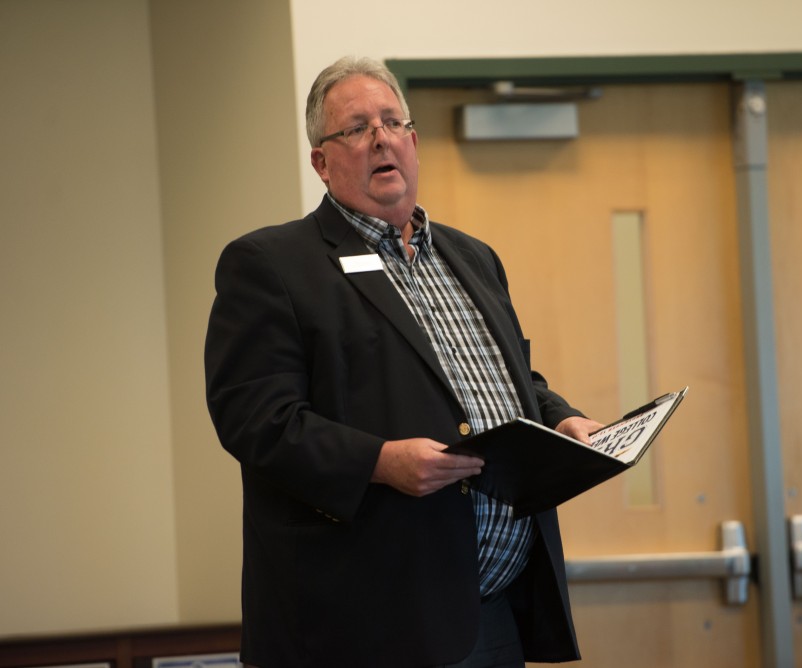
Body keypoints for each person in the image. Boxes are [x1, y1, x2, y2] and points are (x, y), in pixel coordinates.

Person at [204, 55, 601, 668]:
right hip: (364, 626)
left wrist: (559, 419)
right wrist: (379, 462)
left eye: (393, 122)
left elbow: (508, 381)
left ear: (414, 143)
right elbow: (256, 419)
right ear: (321, 161)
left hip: (493, 613)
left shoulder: (473, 258)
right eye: (356, 128)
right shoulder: (273, 265)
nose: (381, 138)